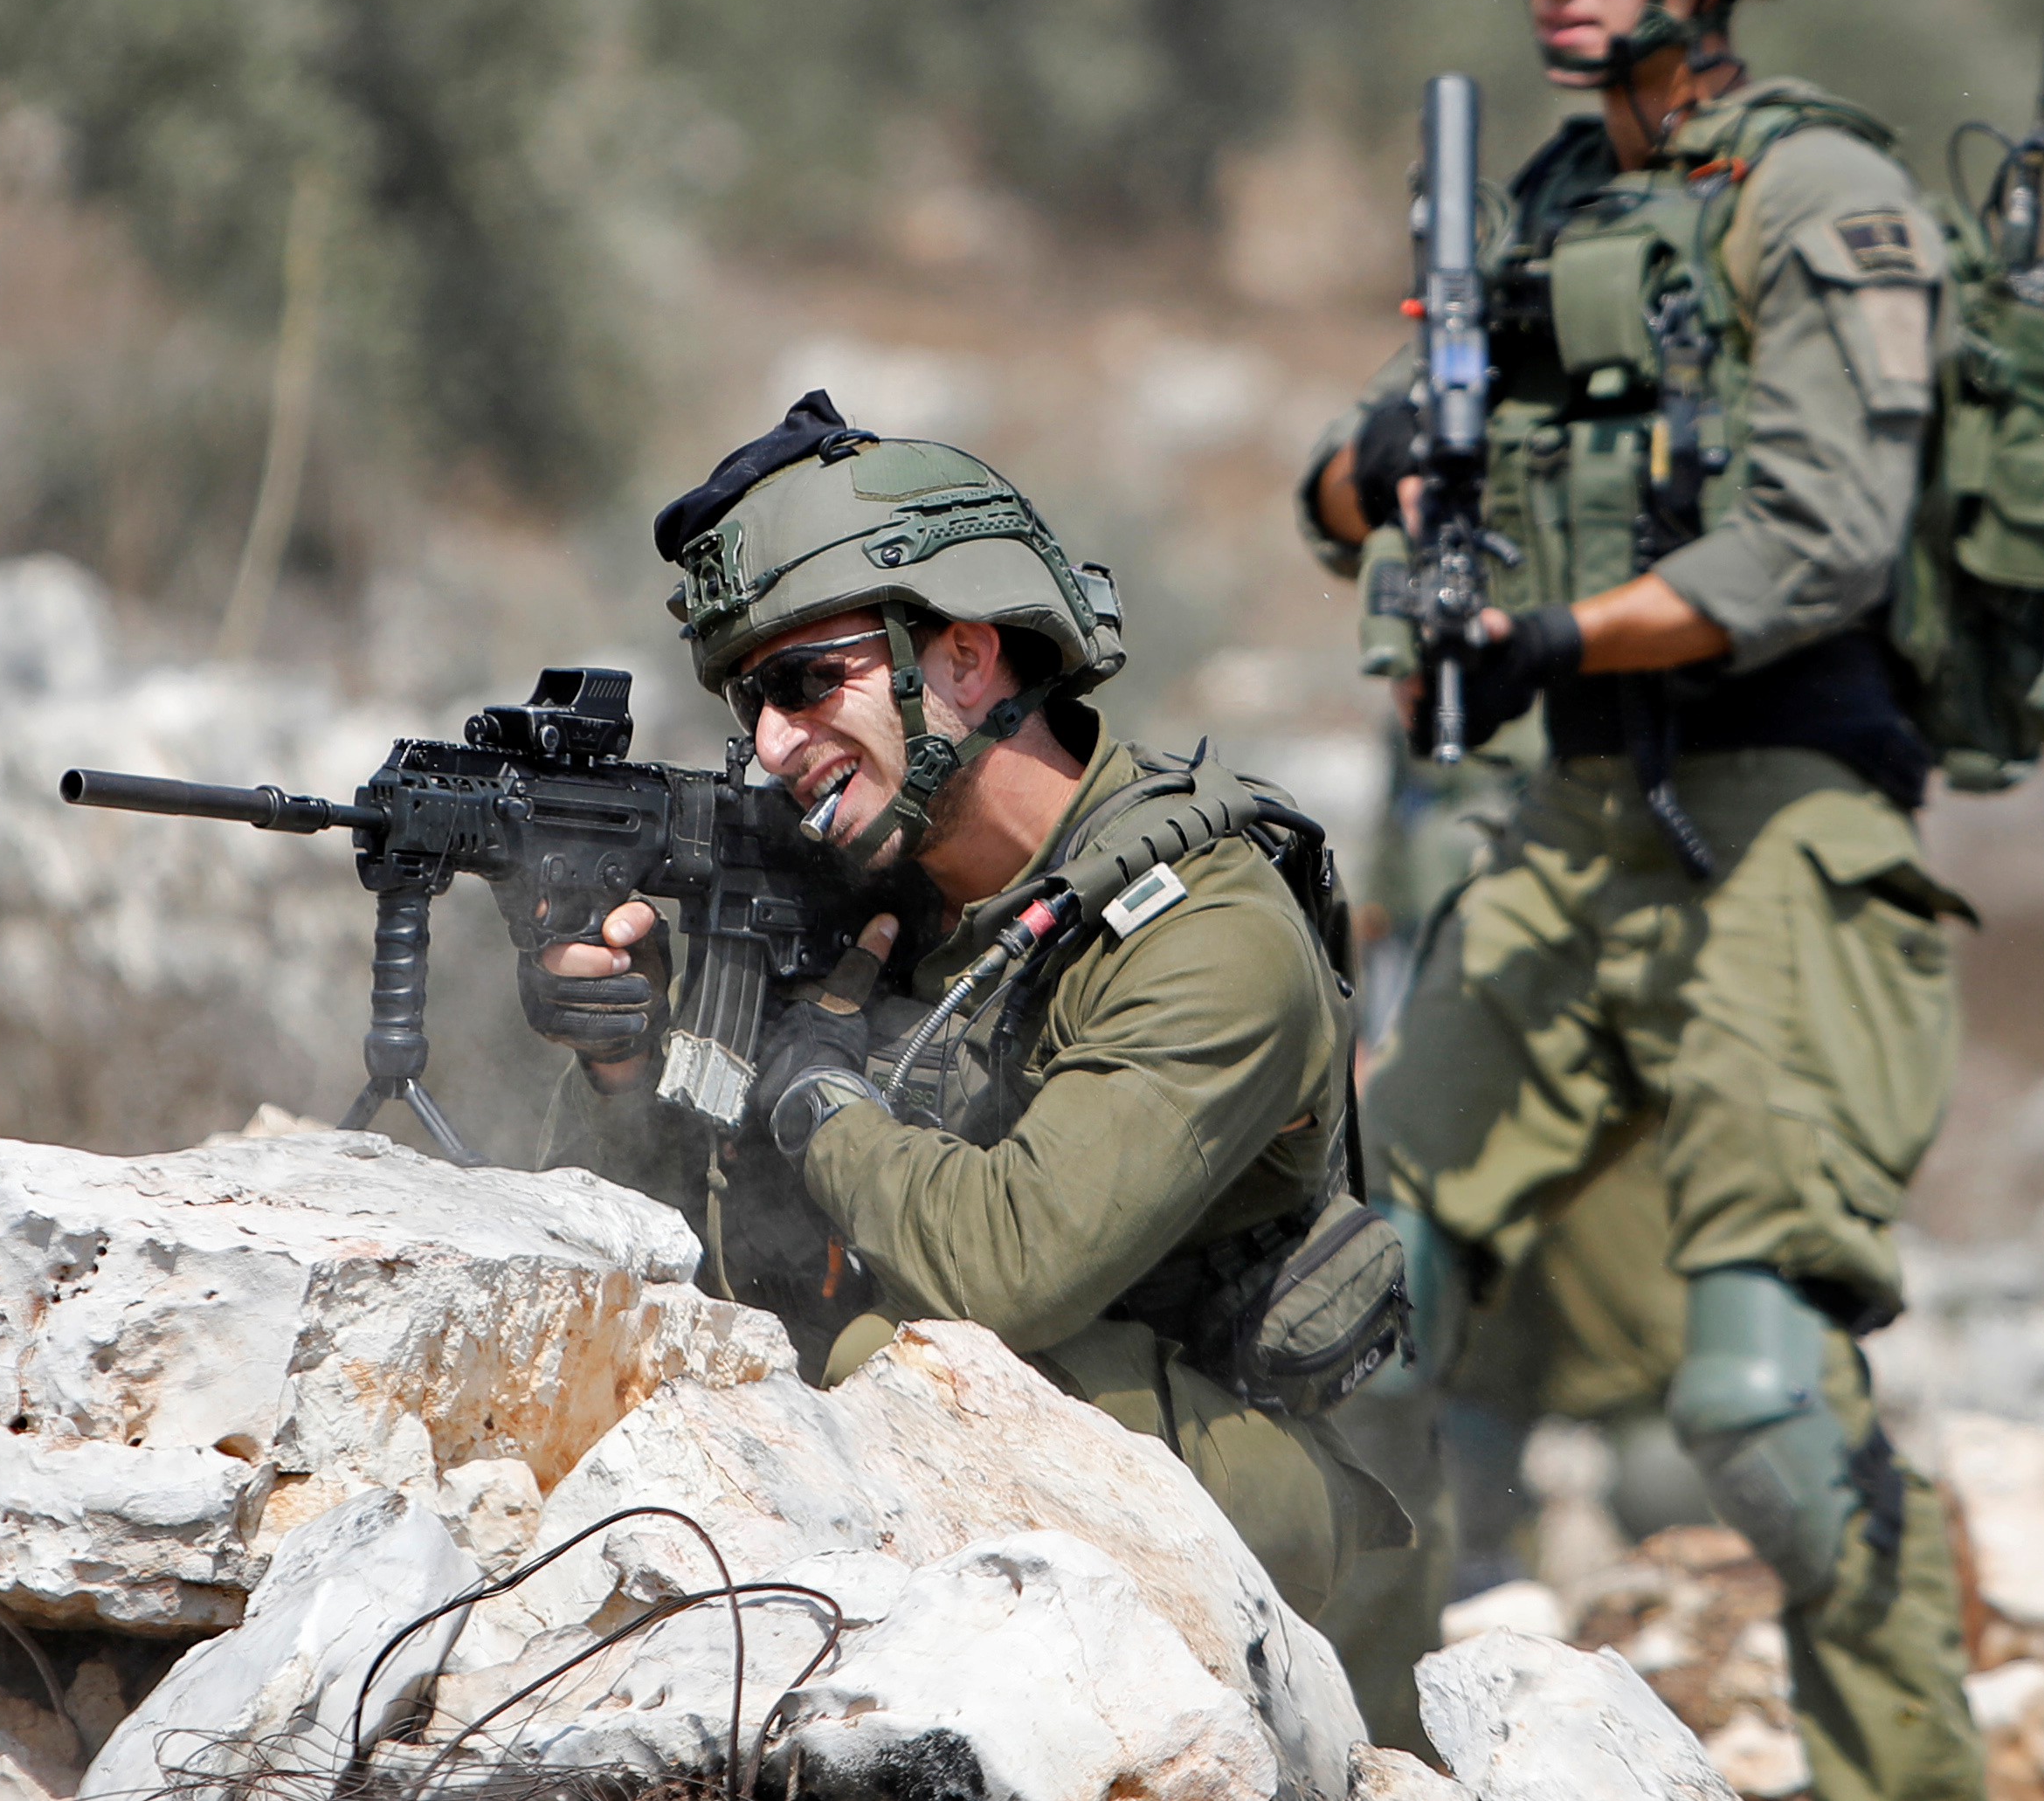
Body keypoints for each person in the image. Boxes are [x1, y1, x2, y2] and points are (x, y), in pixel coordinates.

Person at [1301, 0, 1980, 1798]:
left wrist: (1553, 635)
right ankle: (1355, 1745)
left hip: (1782, 826)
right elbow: (1346, 494)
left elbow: (1819, 540)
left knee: (1760, 1408)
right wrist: (1372, 469)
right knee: (1348, 1312)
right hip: (1571, 825)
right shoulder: (1549, 206)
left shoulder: (1823, 201)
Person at [523, 393, 1405, 1619]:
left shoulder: (1205, 930)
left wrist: (813, 1096)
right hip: (982, 1493)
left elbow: (1009, 1270)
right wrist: (628, 1071)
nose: (771, 742)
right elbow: (670, 1255)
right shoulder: (868, 890)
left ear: (964, 656)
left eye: (806, 680)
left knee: (891, 1359)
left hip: (1240, 1531)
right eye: (748, 703)